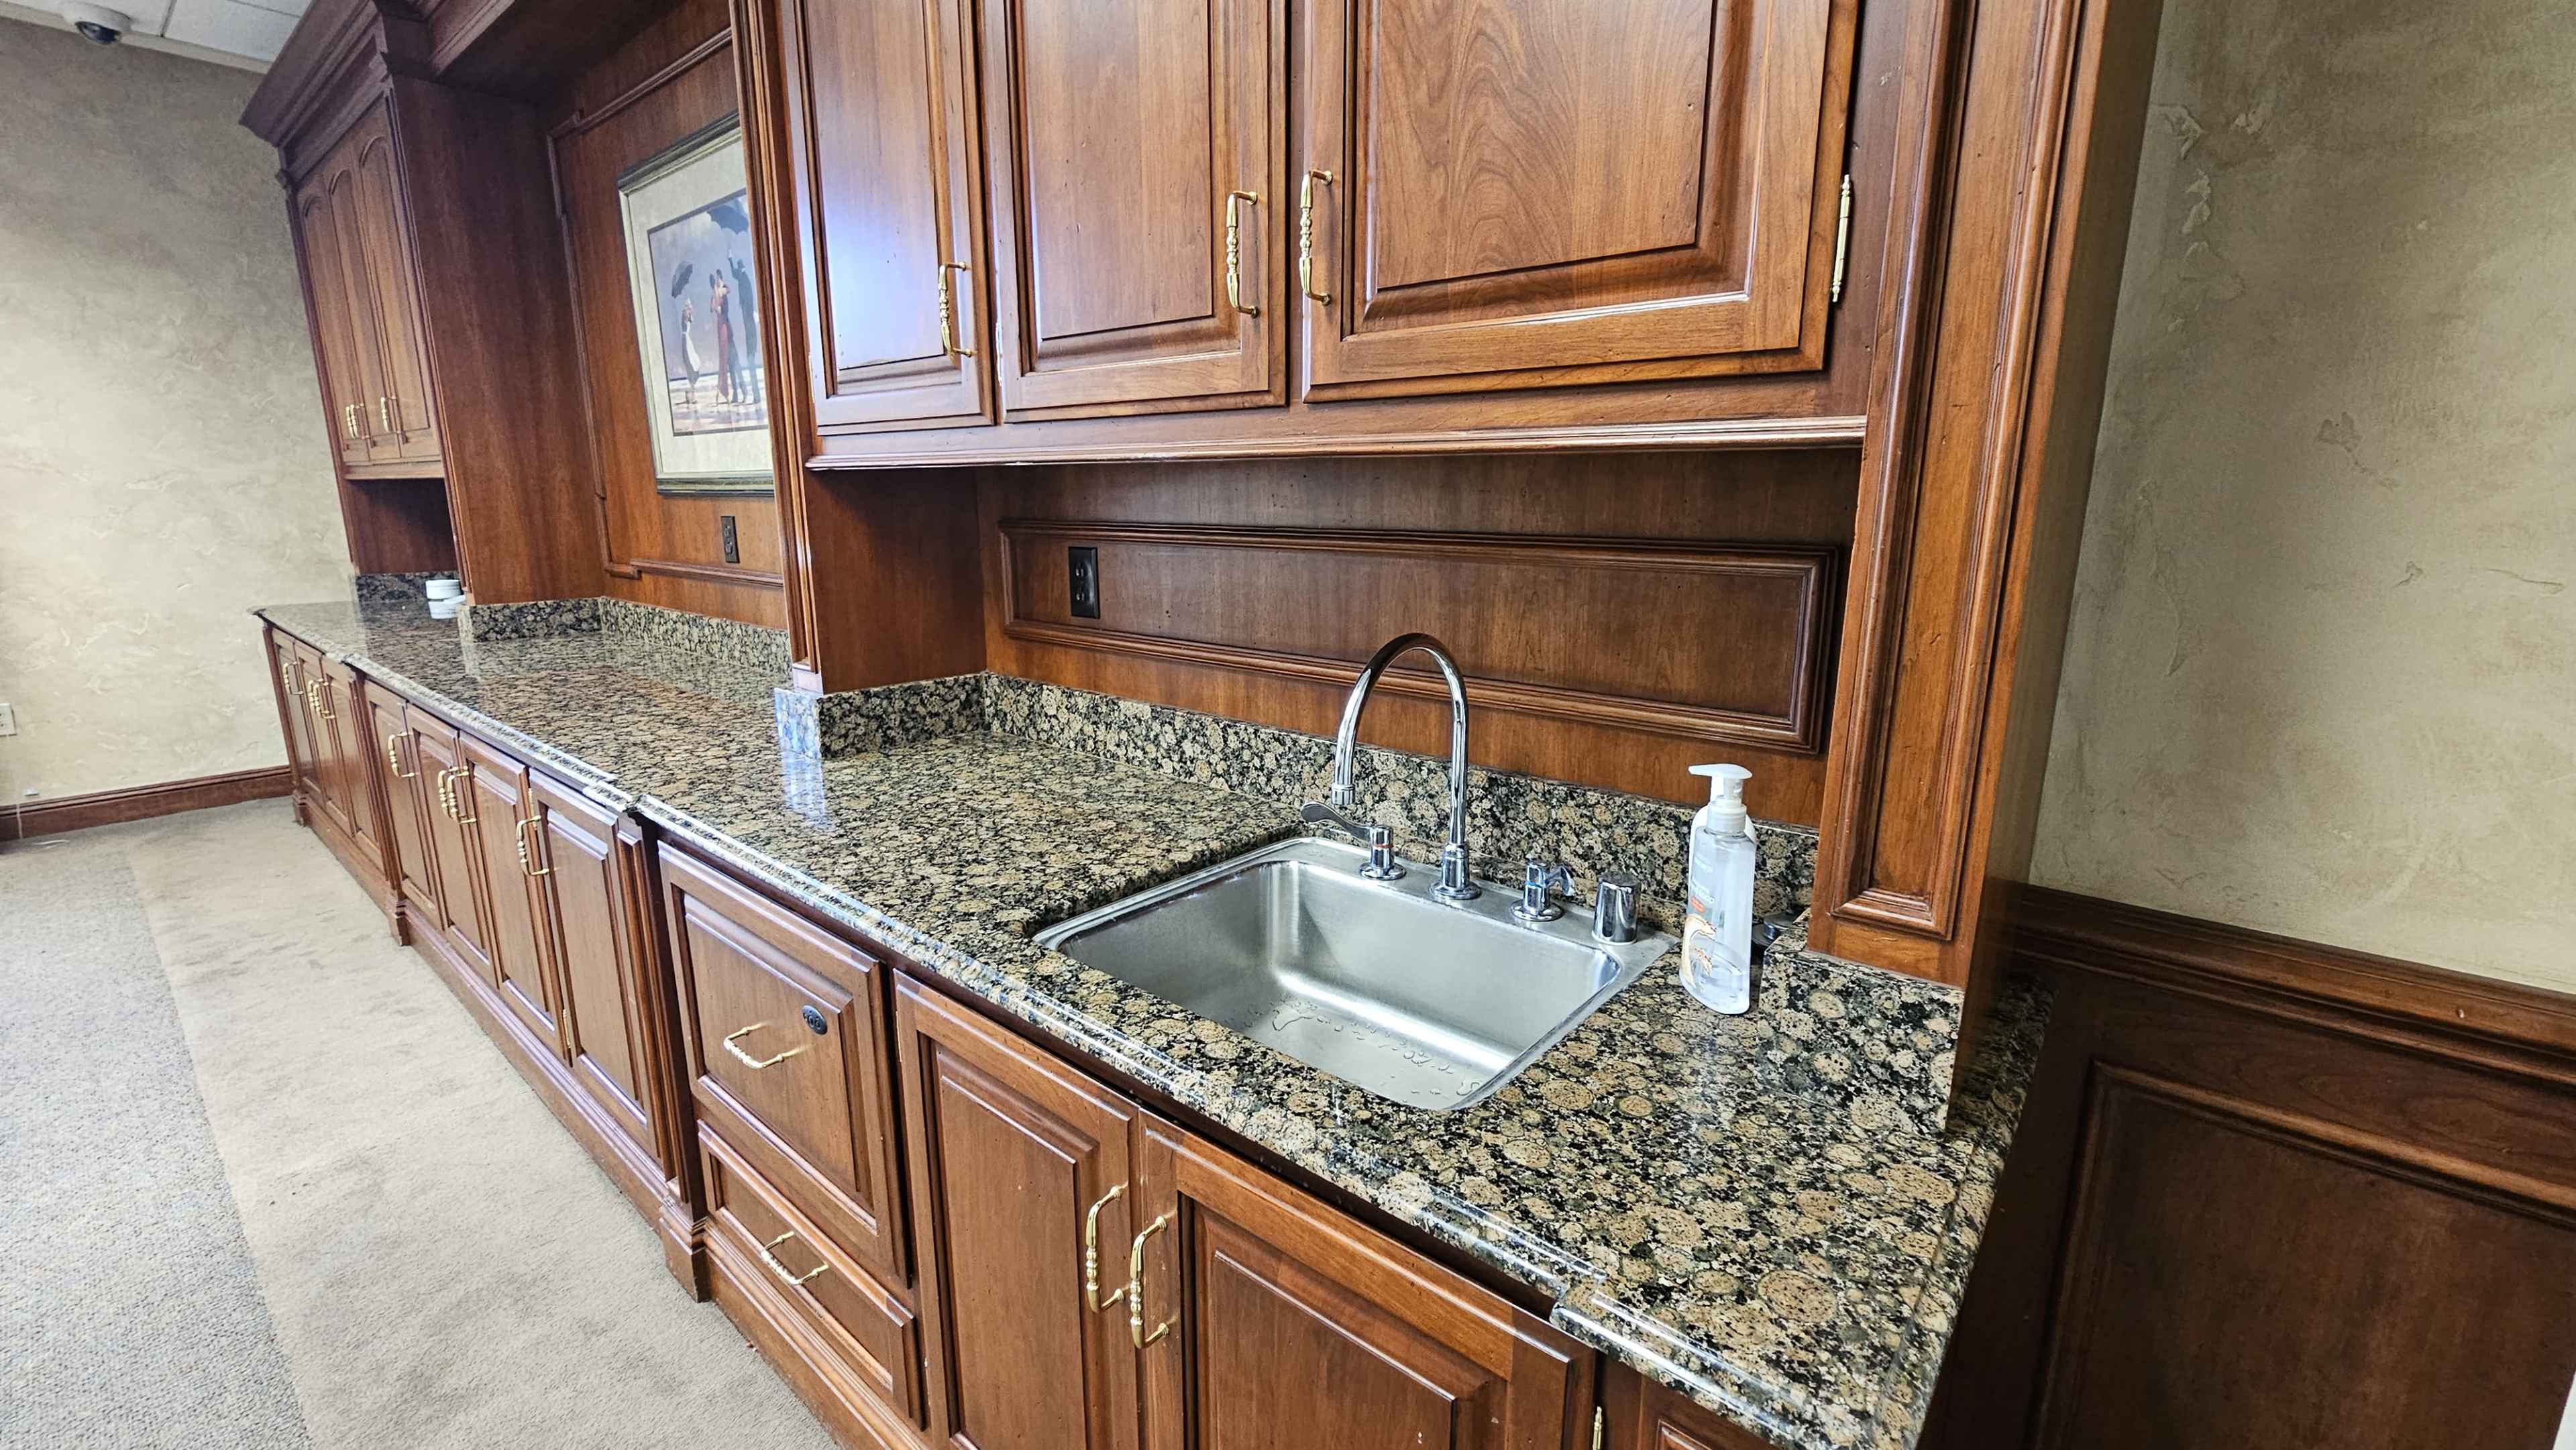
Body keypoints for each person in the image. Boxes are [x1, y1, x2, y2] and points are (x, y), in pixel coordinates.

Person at [711, 270, 737, 409]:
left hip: (724, 327)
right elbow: (714, 308)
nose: (718, 281)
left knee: (726, 359)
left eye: (718, 278)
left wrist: (720, 290)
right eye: (716, 280)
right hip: (721, 327)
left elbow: (728, 290)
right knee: (723, 359)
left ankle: (726, 392)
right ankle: (724, 391)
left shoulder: (721, 291)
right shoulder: (717, 293)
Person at [676, 296, 705, 414]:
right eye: (687, 304)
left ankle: (691, 393)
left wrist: (691, 310)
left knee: (695, 365)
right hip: (686, 341)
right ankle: (691, 394)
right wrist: (689, 310)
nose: (689, 306)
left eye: (690, 304)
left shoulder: (688, 314)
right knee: (691, 365)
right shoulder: (685, 313)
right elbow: (687, 317)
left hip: (688, 340)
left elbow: (691, 319)